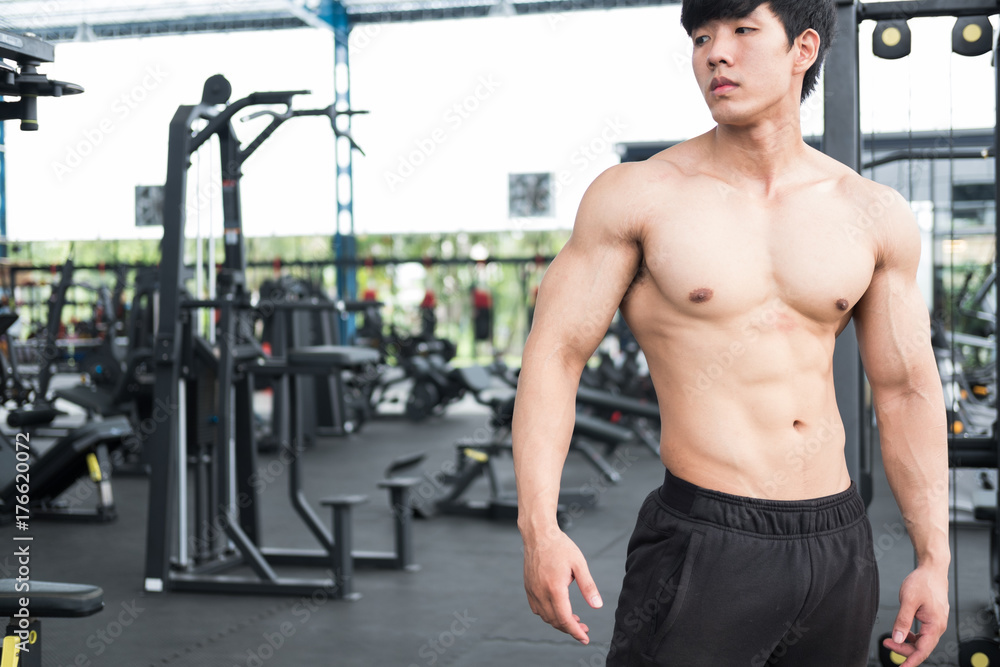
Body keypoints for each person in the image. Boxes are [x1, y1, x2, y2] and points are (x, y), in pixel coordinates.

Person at [511, 1, 951, 665]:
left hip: (838, 539)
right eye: (702, 37)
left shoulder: (871, 212)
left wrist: (934, 558)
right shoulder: (639, 195)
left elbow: (907, 388)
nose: (716, 52)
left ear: (803, 49)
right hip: (706, 537)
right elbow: (555, 356)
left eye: (744, 31)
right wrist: (539, 526)